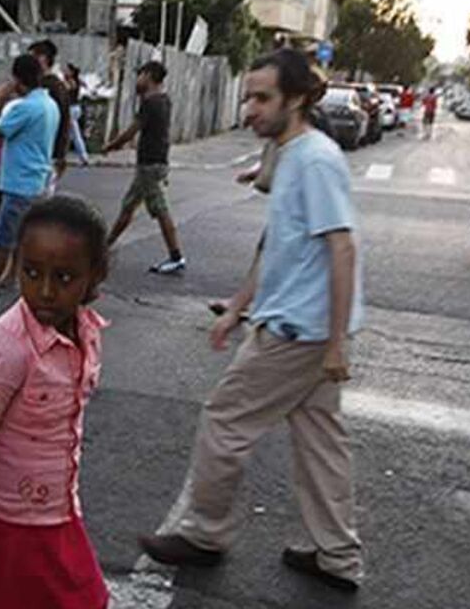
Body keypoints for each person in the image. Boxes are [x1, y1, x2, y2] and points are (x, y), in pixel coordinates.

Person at [139, 49, 365, 593]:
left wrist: (335, 343)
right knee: (320, 443)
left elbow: (343, 249)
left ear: (297, 100)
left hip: (300, 332)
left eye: (263, 98)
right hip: (301, 326)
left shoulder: (313, 160)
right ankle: (337, 555)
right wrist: (239, 307)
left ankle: (205, 533)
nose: (250, 108)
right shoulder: (290, 155)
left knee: (224, 420)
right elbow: (278, 244)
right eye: (248, 95)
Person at [0, 194, 111, 609]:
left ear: (94, 277)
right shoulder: (5, 349)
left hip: (58, 504)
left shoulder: (87, 330)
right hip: (9, 518)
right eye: (31, 272)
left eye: (63, 278)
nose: (43, 291)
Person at [0, 55, 59, 308]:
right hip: (39, 181)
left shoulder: (25, 108)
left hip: (19, 184)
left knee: (4, 240)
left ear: (17, 79)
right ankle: (16, 278)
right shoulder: (49, 104)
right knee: (26, 238)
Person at [102, 61, 187, 275]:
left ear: (149, 76)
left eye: (140, 75)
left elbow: (132, 131)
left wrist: (111, 146)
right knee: (129, 206)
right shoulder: (164, 100)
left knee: (160, 210)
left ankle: (176, 256)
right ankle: (104, 246)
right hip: (153, 163)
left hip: (151, 165)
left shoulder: (151, 103)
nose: (137, 80)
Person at [28, 40, 74, 188]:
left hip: (45, 154)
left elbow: (62, 121)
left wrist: (59, 154)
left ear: (42, 59)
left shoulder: (50, 87)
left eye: (31, 58)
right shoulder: (56, 85)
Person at [64, 63, 91, 166]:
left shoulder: (71, 82)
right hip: (75, 108)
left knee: (74, 134)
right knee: (70, 134)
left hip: (71, 109)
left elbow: (67, 89)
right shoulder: (77, 81)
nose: (64, 72)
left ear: (71, 72)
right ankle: (64, 156)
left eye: (67, 70)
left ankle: (84, 157)